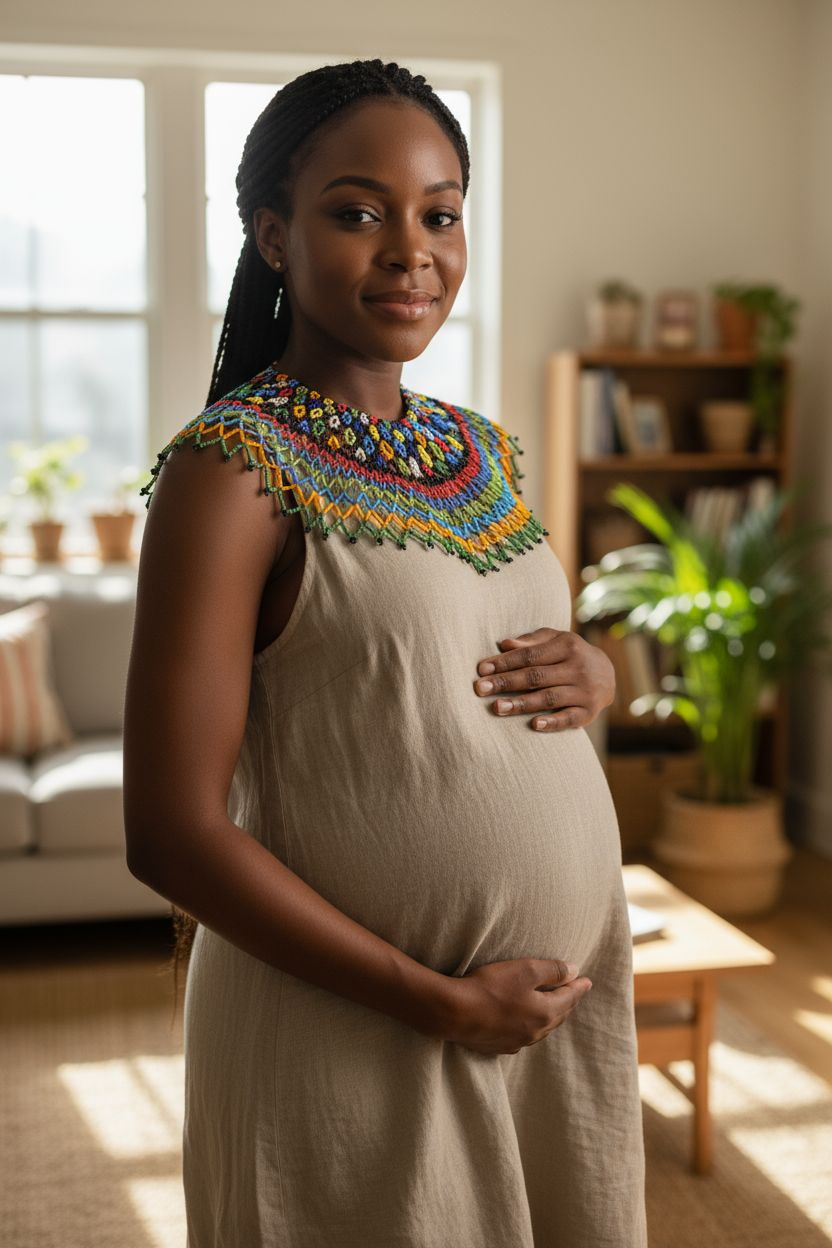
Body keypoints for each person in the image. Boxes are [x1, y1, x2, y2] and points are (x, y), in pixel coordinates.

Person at [123, 57, 647, 1248]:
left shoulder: (486, 454)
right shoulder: (229, 472)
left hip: (541, 1028)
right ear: (271, 234)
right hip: (357, 1031)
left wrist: (597, 671)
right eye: (356, 211)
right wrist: (443, 1001)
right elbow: (169, 831)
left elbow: (464, 665)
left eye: (440, 212)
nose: (411, 249)